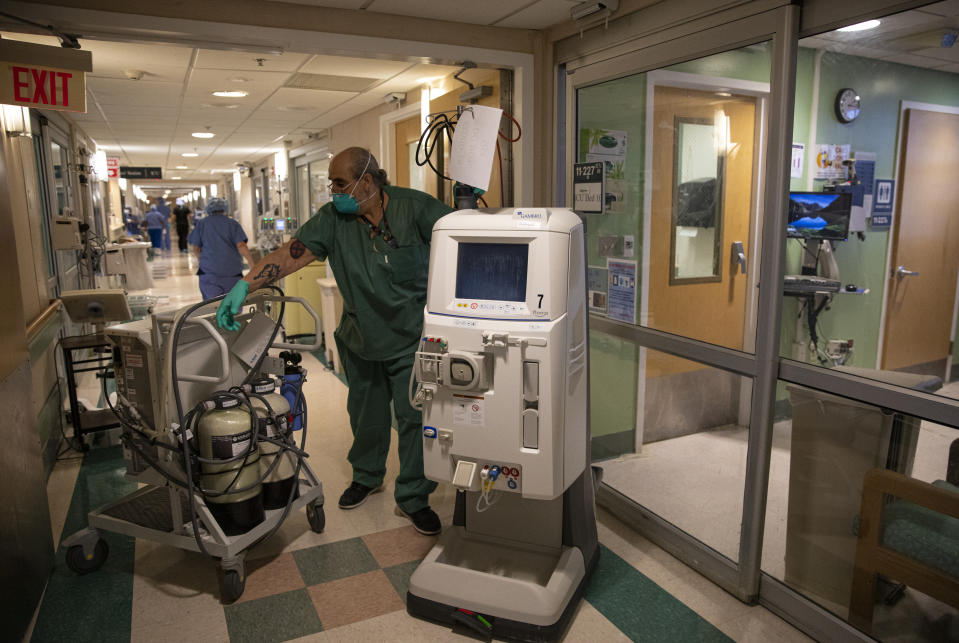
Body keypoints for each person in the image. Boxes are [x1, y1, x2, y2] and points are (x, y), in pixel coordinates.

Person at [215, 147, 452, 535]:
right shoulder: (333, 220)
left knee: (414, 419)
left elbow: (463, 241)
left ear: (368, 182)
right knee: (366, 415)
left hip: (413, 338)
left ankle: (414, 497)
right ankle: (368, 475)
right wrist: (246, 284)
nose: (333, 190)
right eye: (332, 183)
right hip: (361, 337)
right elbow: (290, 255)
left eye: (340, 183)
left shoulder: (418, 209)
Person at [188, 197, 255, 300]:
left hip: (209, 271)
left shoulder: (202, 224)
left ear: (208, 208)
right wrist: (252, 265)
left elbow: (196, 248)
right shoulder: (233, 224)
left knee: (213, 305)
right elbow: (241, 246)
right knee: (232, 306)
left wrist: (202, 260)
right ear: (225, 208)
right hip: (232, 273)